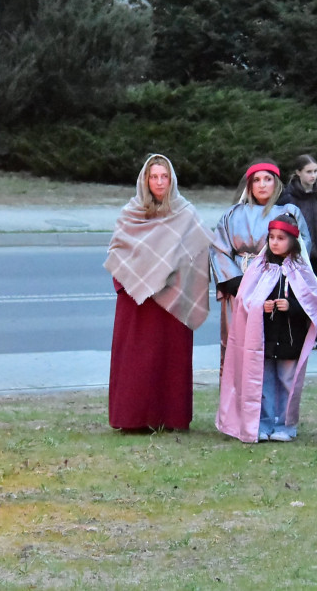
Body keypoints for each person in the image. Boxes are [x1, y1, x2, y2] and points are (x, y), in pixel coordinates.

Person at [104, 154, 214, 431]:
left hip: (172, 299)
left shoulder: (185, 213)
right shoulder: (131, 212)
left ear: (172, 179)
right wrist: (133, 281)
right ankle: (133, 419)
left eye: (164, 176)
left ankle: (170, 417)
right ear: (145, 180)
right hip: (137, 302)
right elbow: (118, 252)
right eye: (154, 177)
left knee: (169, 361)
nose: (159, 182)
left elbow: (199, 253)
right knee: (136, 362)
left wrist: (175, 280)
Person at [217, 215, 317, 443]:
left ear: (293, 241)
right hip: (264, 338)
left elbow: (312, 303)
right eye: (272, 237)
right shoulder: (260, 267)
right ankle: (262, 424)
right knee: (263, 383)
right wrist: (260, 306)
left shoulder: (301, 270)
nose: (275, 242)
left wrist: (291, 306)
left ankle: (285, 425)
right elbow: (246, 297)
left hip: (290, 339)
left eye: (281, 238)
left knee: (287, 383)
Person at [211, 161, 311, 369]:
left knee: (271, 348)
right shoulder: (233, 214)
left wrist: (280, 279)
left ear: (277, 184)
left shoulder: (289, 212)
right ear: (249, 185)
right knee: (237, 345)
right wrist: (235, 282)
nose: (262, 185)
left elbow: (301, 247)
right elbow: (219, 249)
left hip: (275, 287)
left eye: (268, 179)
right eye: (256, 180)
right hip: (239, 287)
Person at [277, 154, 317, 351]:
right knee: (299, 294)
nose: (313, 175)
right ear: (298, 173)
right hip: (298, 256)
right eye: (308, 171)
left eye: (315, 171)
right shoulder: (288, 197)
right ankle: (301, 333)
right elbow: (282, 222)